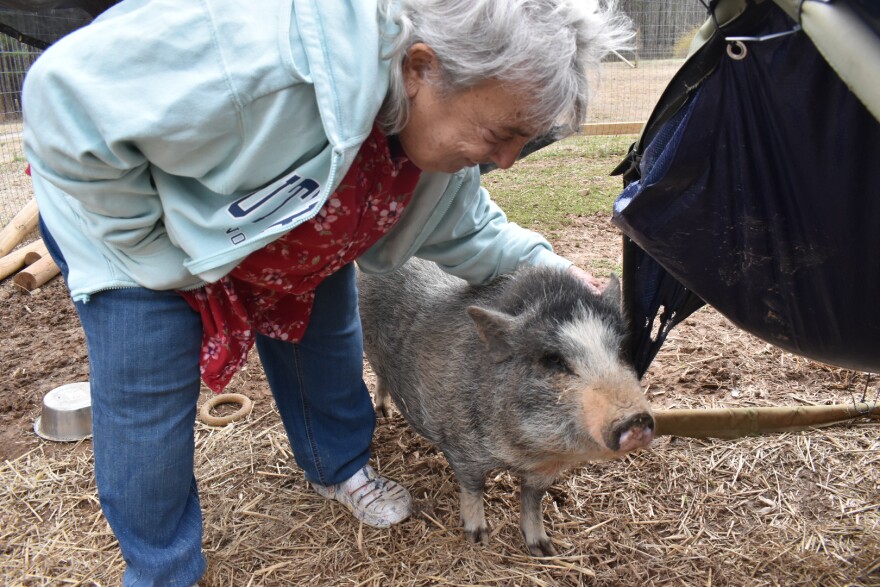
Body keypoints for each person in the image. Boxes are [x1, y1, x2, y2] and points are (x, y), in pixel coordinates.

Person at [22, 0, 632, 583]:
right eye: (502, 133)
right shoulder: (264, 64)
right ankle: (162, 568)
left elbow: (470, 230)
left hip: (285, 233)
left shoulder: (423, 135)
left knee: (327, 340)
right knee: (148, 394)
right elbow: (64, 98)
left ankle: (335, 467)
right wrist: (155, 252)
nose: (508, 160)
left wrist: (556, 273)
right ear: (422, 68)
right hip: (137, 230)